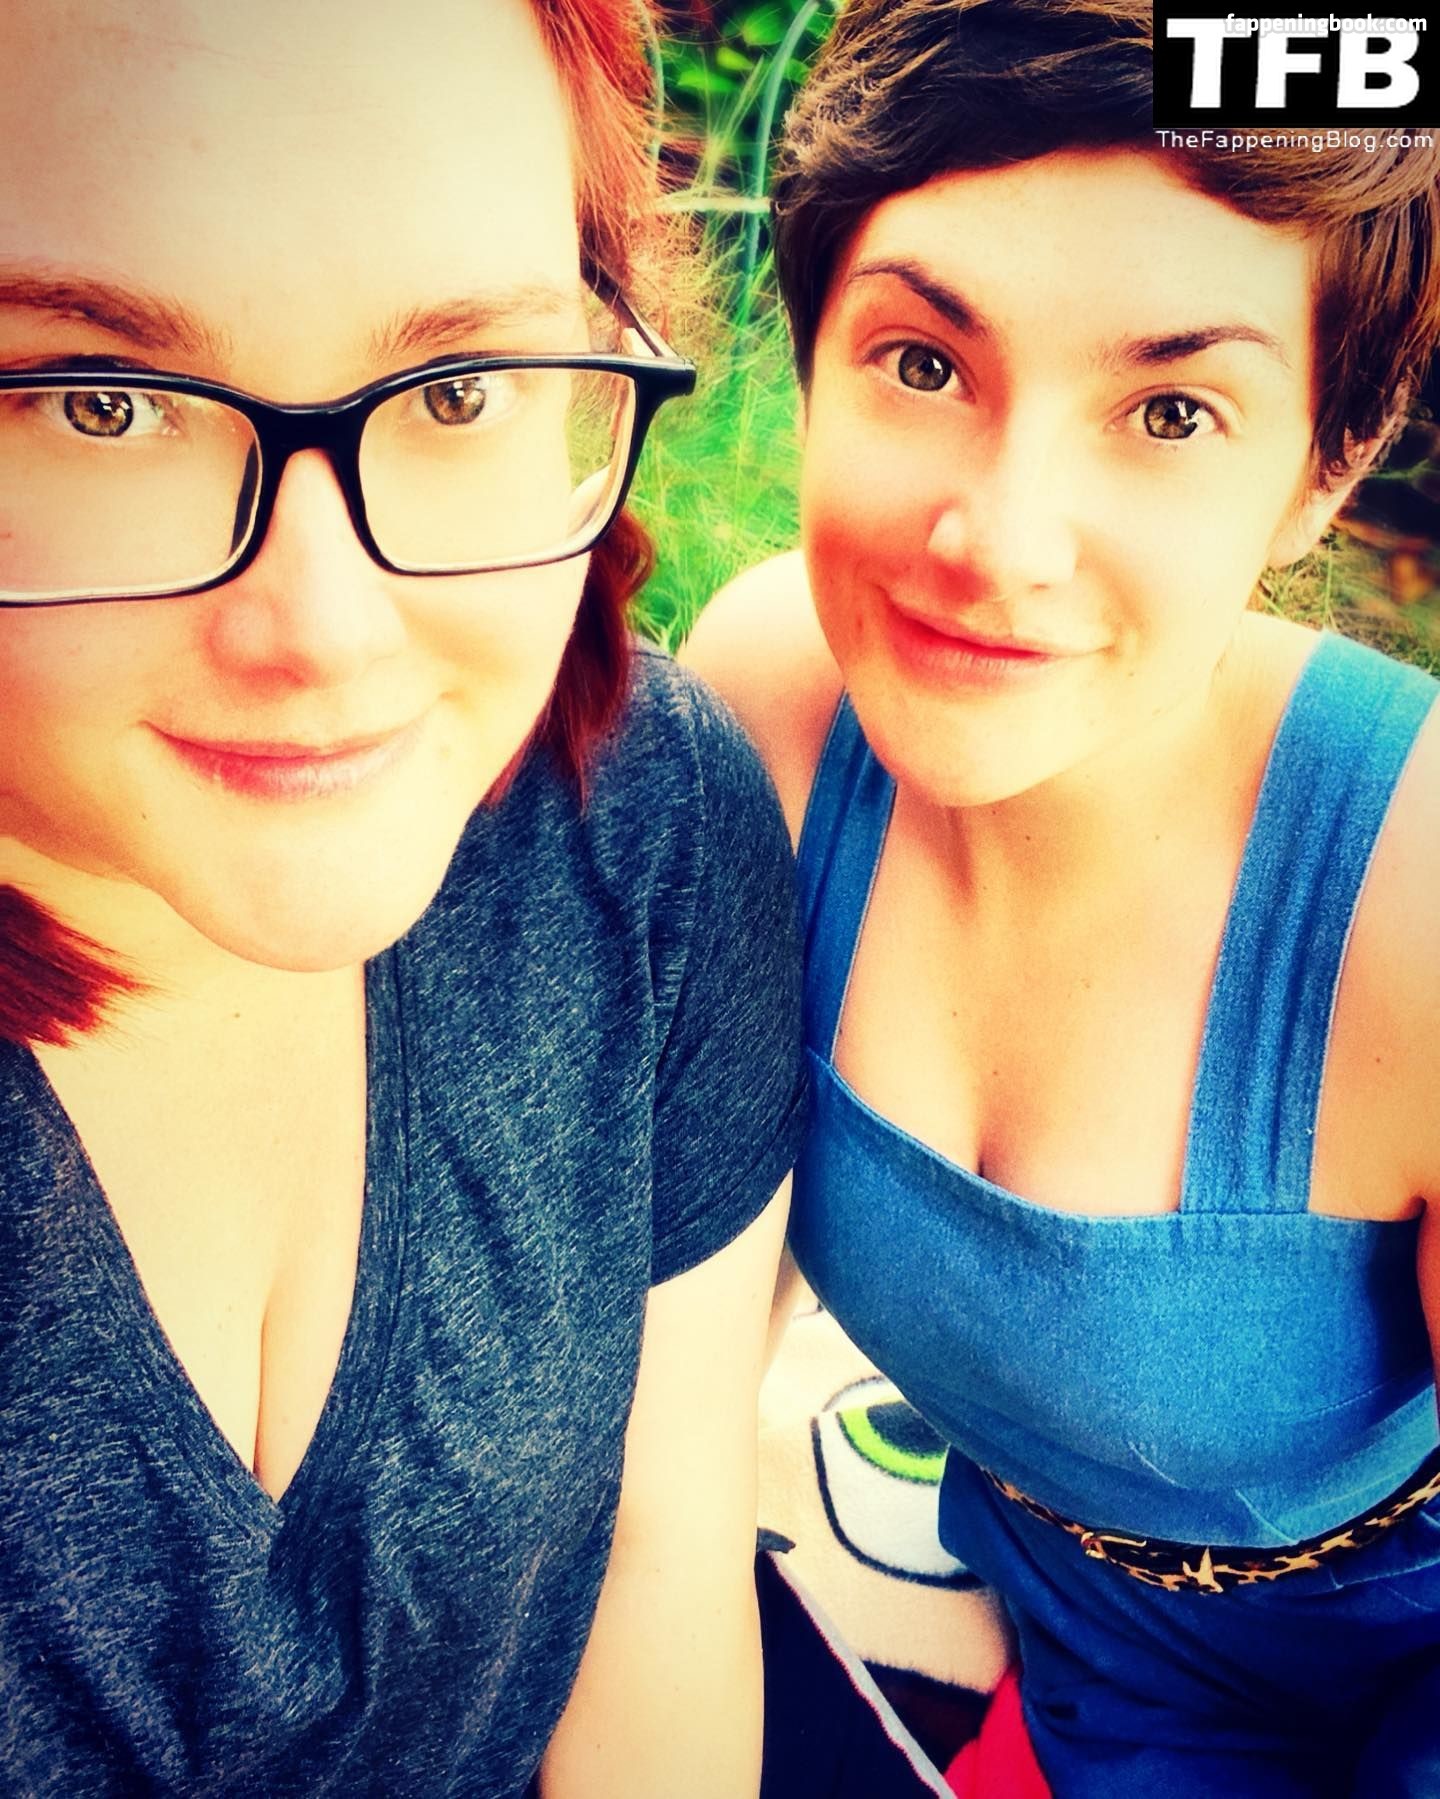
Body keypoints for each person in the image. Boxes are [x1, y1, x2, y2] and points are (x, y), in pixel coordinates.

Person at [0, 2, 808, 1794]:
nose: (326, 632)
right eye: (100, 401)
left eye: (457, 392)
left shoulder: (644, 827)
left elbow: (661, 1571)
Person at [685, 1, 1440, 1791]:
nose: (999, 546)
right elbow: (673, 1386)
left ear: (1322, 469)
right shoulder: (767, 714)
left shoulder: (1415, 897)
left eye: (1171, 410)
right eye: (923, 364)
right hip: (1094, 1638)